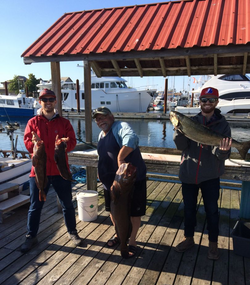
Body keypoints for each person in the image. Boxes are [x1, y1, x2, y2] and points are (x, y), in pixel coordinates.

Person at [173, 87, 232, 260]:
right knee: (189, 210)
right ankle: (188, 238)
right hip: (189, 174)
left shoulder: (223, 125)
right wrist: (179, 132)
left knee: (212, 211)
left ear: (217, 102)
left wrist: (222, 151)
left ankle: (213, 244)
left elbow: (224, 155)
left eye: (211, 100)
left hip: (211, 176)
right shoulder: (190, 121)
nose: (207, 103)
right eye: (204, 100)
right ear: (199, 102)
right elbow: (181, 147)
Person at [20, 89, 81, 253]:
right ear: (40, 102)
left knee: (67, 204)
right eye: (44, 99)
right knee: (35, 206)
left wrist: (64, 144)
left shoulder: (65, 123)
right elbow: (27, 143)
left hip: (60, 171)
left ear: (55, 102)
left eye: (51, 99)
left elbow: (73, 142)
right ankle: (31, 236)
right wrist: (33, 143)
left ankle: (72, 232)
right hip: (38, 171)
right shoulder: (33, 122)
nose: (48, 102)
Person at [93, 106, 147, 257]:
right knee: (113, 212)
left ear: (111, 116)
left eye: (103, 117)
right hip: (110, 183)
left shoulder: (120, 127)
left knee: (134, 214)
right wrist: (99, 170)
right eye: (97, 119)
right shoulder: (101, 135)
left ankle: (132, 241)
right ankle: (119, 235)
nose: (100, 120)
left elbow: (132, 139)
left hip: (130, 182)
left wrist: (121, 158)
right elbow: (102, 154)